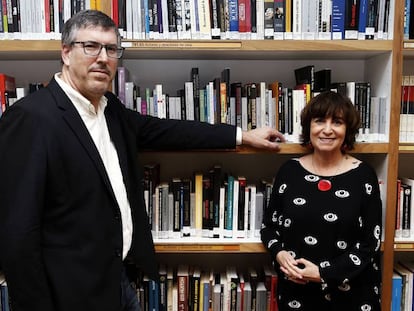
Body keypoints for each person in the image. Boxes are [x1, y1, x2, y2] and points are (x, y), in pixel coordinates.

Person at [0, 9, 285, 311]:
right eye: (91, 46)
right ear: (66, 53)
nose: (103, 58)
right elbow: (18, 233)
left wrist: (241, 135)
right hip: (68, 293)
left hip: (116, 280)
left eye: (111, 49)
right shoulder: (31, 118)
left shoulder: (110, 110)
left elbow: (167, 131)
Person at [261, 91, 382, 310]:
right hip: (297, 292)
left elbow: (370, 243)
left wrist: (323, 273)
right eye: (319, 121)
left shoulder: (364, 176)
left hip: (351, 295)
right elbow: (269, 227)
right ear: (309, 127)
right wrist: (280, 255)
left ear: (348, 130)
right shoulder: (289, 171)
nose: (327, 130)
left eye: (337, 122)